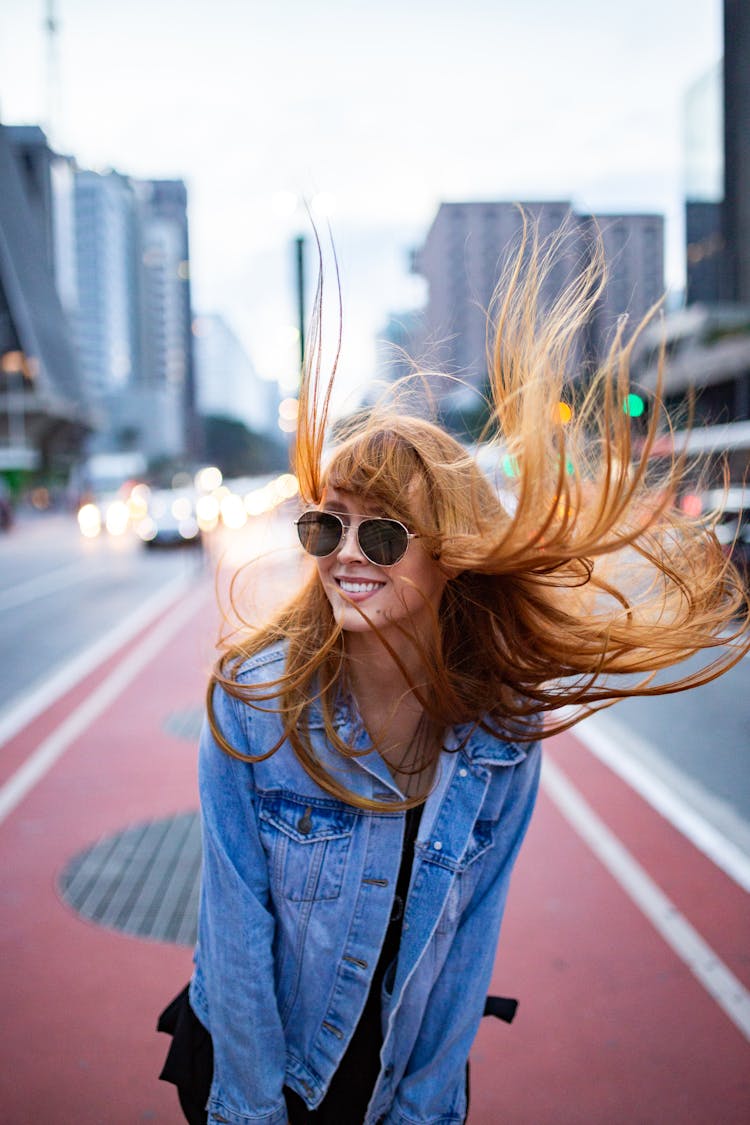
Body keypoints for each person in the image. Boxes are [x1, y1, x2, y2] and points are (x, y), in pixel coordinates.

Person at [158, 220, 749, 1125]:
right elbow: (235, 939)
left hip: (403, 1080)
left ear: (449, 557)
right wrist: (252, 1115)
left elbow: (468, 952)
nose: (347, 554)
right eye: (328, 525)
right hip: (259, 1074)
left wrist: (425, 1113)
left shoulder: (501, 738)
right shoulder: (250, 704)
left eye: (385, 532)